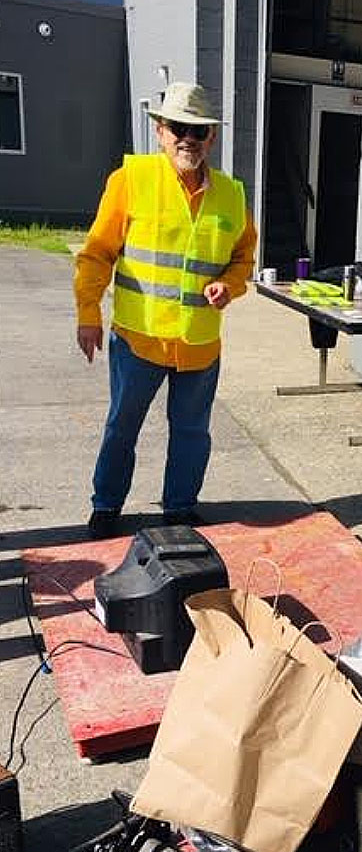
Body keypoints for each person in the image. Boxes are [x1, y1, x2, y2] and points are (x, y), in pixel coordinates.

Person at [75, 82, 257, 538]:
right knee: (122, 427)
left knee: (192, 434)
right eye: (178, 127)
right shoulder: (131, 180)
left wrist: (228, 286)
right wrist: (88, 314)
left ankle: (179, 509)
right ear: (159, 130)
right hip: (139, 340)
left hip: (198, 344)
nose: (187, 138)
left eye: (198, 130)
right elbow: (97, 253)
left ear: (211, 137)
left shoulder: (232, 195)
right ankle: (107, 507)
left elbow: (243, 259)